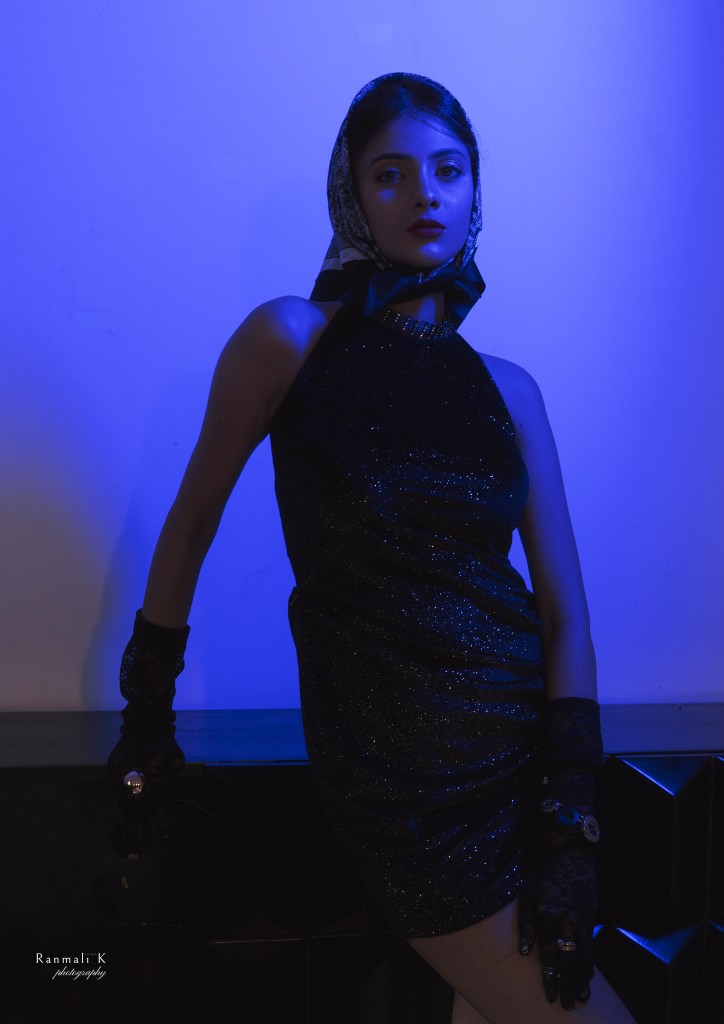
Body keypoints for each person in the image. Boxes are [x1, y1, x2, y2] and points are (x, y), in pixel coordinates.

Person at [109, 73, 637, 1022]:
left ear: (474, 190)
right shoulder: (289, 339)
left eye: (448, 170)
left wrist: (570, 823)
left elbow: (565, 616)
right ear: (351, 195)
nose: (424, 194)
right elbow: (189, 526)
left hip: (525, 764)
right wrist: (148, 714)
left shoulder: (510, 390)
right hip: (404, 786)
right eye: (390, 174)